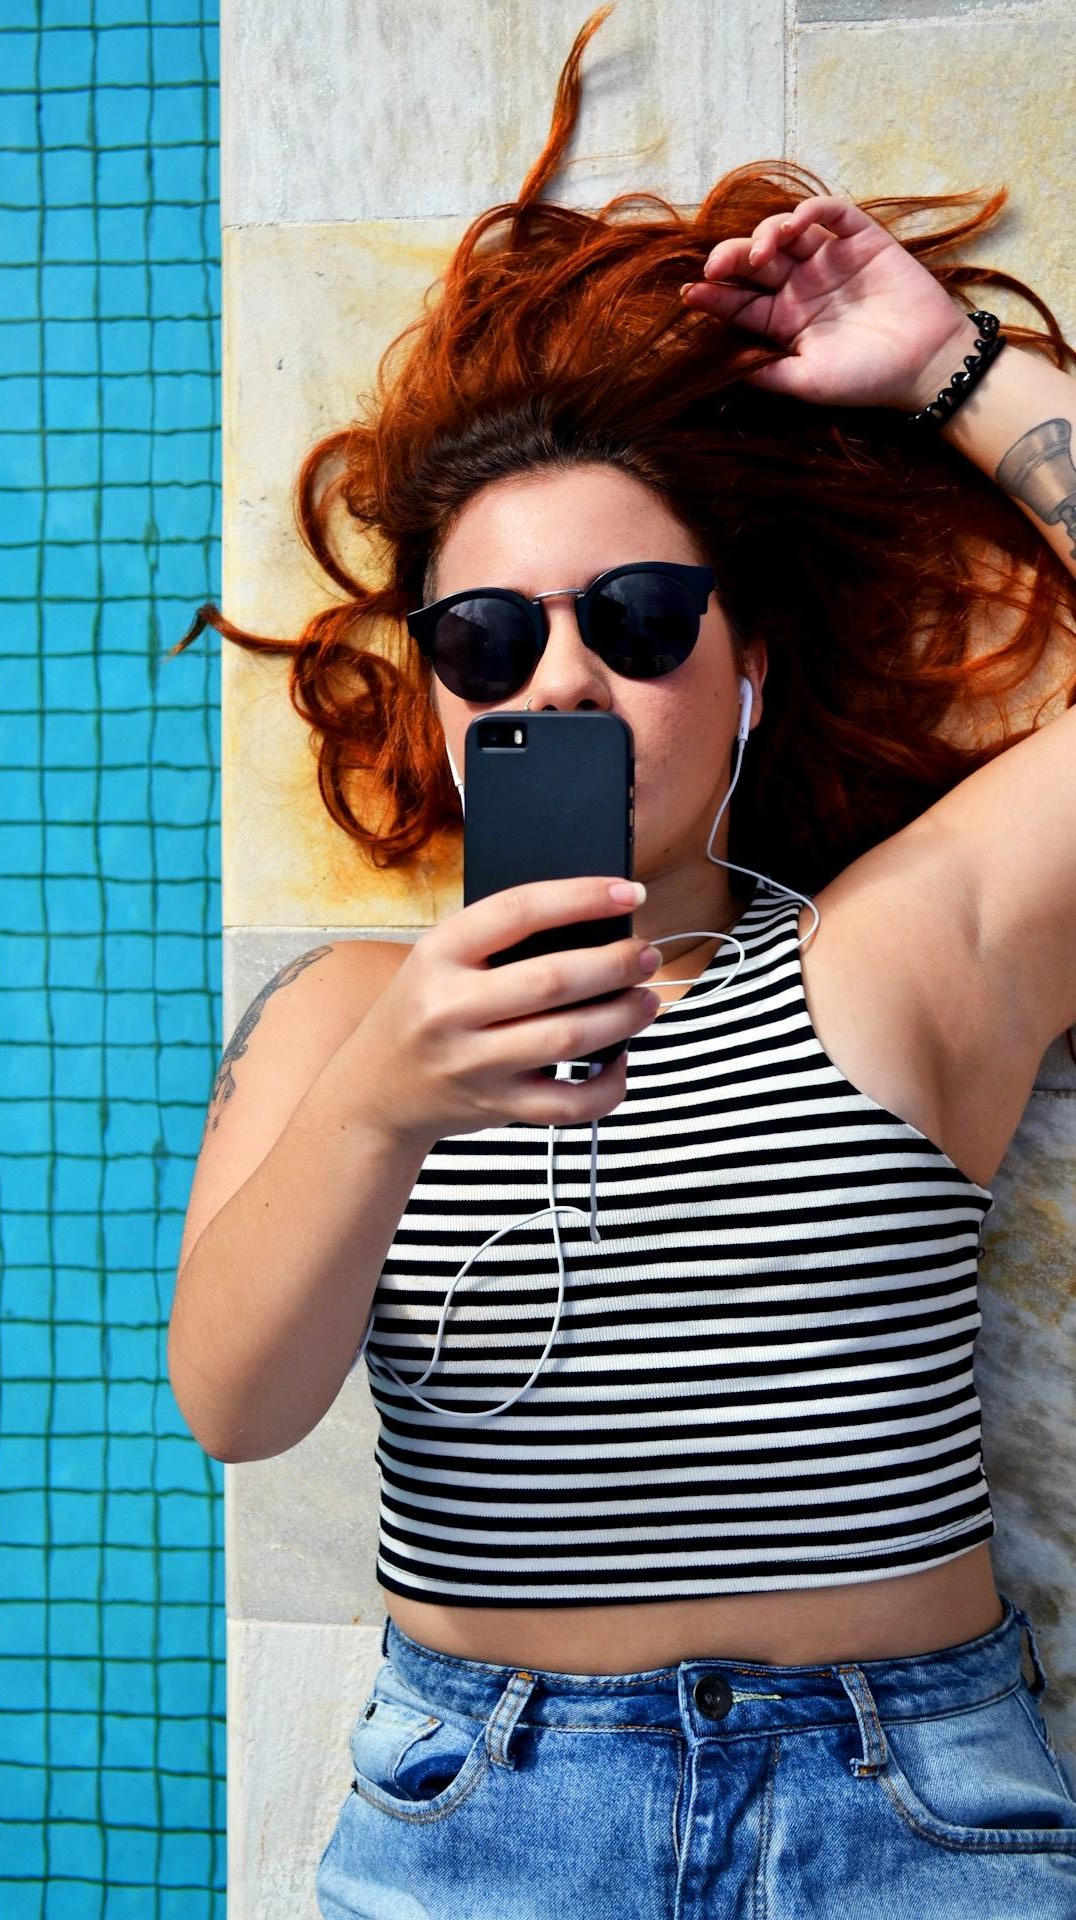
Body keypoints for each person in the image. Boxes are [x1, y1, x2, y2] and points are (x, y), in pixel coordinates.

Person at [166, 10, 1076, 1912]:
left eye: (641, 617)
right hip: (483, 1809)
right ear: (433, 693)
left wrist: (955, 369)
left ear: (745, 672)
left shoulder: (899, 957)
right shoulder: (341, 1016)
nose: (565, 676)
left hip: (905, 1810)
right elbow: (236, 1408)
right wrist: (391, 1099)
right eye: (491, 636)